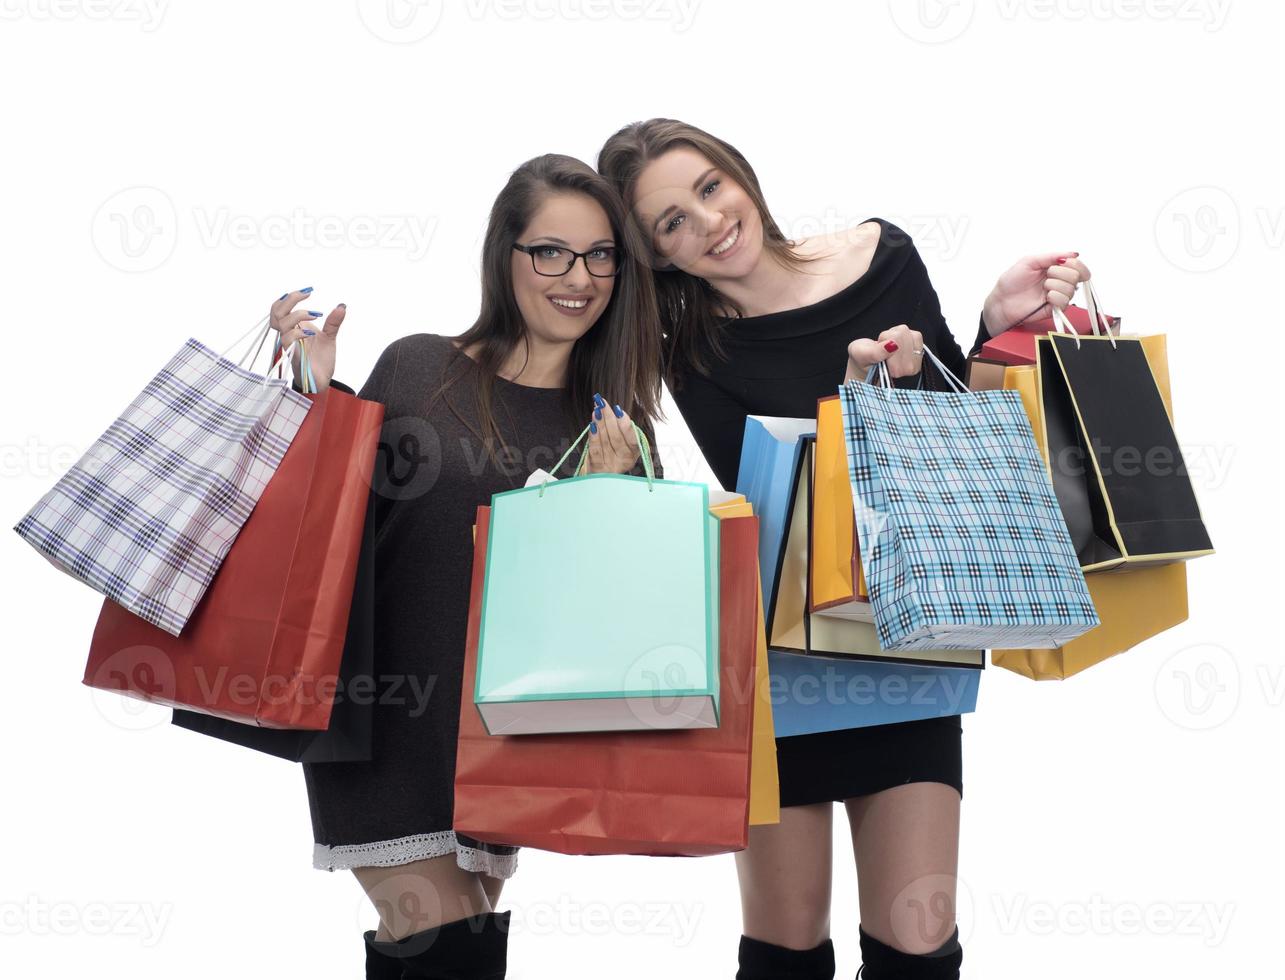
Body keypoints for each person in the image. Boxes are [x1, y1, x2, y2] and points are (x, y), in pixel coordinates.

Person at [598, 118, 1095, 980]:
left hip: (903, 641)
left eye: (708, 188)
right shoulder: (688, 346)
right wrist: (855, 398)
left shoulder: (882, 256)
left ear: (739, 174)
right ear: (658, 257)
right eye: (670, 223)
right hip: (783, 657)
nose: (707, 222)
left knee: (918, 949)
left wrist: (993, 325)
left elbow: (956, 441)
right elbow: (763, 500)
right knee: (784, 952)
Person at [269, 153, 663, 979]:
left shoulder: (615, 432)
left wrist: (597, 499)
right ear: (506, 257)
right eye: (550, 251)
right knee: (445, 951)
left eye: (600, 256)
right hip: (380, 724)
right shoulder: (419, 367)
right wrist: (308, 393)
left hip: (502, 745)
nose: (578, 277)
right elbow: (317, 523)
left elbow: (607, 622)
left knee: (464, 955)